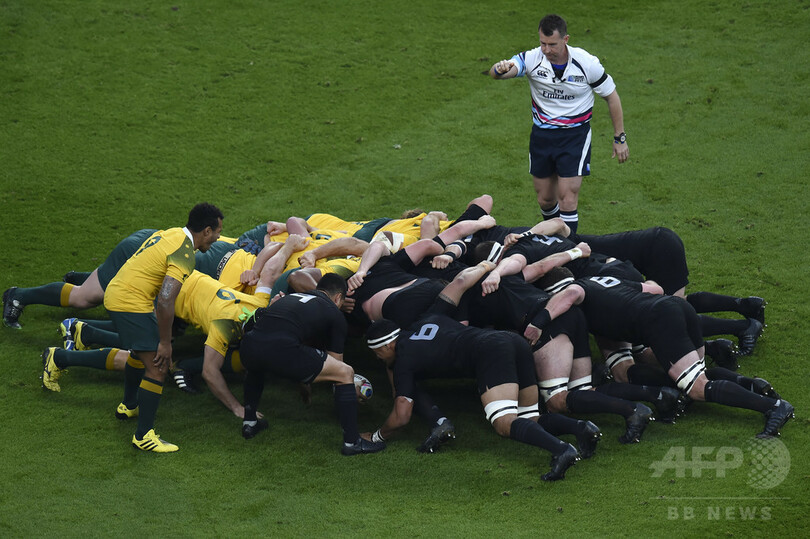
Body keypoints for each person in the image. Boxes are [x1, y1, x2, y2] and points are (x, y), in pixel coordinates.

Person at [364, 262, 584, 481]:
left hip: (489, 352)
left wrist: (377, 435)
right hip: (511, 340)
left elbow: (402, 415)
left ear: (385, 345)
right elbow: (460, 282)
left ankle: (561, 450)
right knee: (531, 418)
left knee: (504, 423)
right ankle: (582, 428)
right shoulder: (427, 318)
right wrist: (485, 265)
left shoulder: (403, 359)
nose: (378, 358)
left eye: (376, 353)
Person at [536, 268, 794, 439]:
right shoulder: (600, 282)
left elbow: (571, 294)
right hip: (675, 307)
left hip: (659, 319)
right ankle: (750, 385)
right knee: (696, 375)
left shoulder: (575, 293)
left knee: (697, 387)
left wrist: (537, 323)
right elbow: (655, 289)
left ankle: (774, 407)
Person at [490, 14, 628, 233]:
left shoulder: (587, 64)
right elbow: (503, 73)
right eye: (542, 43)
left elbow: (611, 96)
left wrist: (619, 138)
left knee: (568, 199)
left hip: (574, 136)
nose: (546, 50)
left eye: (552, 44)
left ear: (566, 39)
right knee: (545, 199)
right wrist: (500, 69)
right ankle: (555, 237)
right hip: (542, 136)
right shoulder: (533, 58)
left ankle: (568, 252)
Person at [103, 203, 223, 453]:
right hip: (130, 302)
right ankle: (144, 436)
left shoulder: (170, 234)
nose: (219, 237)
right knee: (158, 365)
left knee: (140, 353)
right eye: (218, 232)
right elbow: (167, 300)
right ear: (207, 231)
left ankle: (129, 405)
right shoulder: (185, 253)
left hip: (120, 293)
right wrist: (166, 343)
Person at [238, 274, 386, 456]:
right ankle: (352, 442)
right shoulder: (334, 313)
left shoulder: (290, 298)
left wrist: (304, 379)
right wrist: (350, 388)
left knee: (258, 365)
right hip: (280, 348)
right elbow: (335, 364)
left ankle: (250, 423)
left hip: (249, 346)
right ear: (338, 297)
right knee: (345, 372)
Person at [3, 229, 156, 329]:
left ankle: (89, 278)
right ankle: (18, 296)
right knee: (84, 298)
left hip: (152, 241)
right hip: (141, 251)